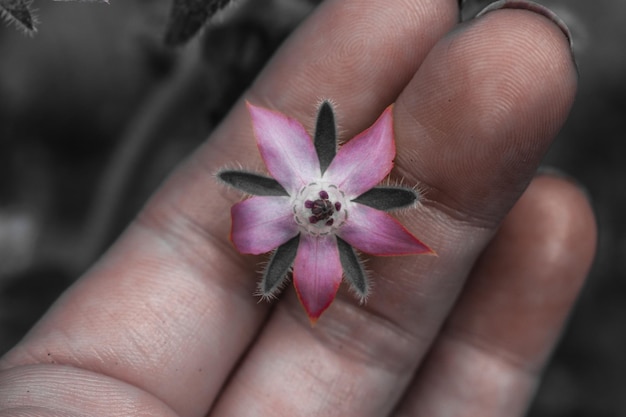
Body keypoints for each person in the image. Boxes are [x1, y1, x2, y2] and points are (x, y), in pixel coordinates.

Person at [0, 0, 596, 415]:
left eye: (322, 207)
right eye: (319, 205)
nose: (318, 206)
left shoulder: (339, 207)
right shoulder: (277, 190)